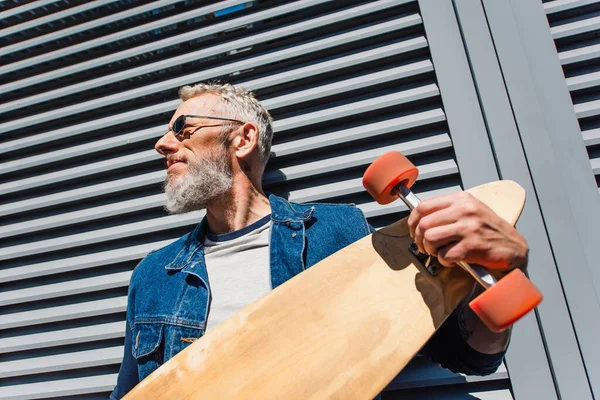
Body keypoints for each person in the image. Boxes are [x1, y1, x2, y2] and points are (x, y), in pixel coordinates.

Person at [110, 83, 529, 399]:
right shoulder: (153, 275)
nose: (163, 144)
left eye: (182, 128)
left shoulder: (338, 233)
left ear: (243, 139)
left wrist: (498, 271)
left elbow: (470, 355)